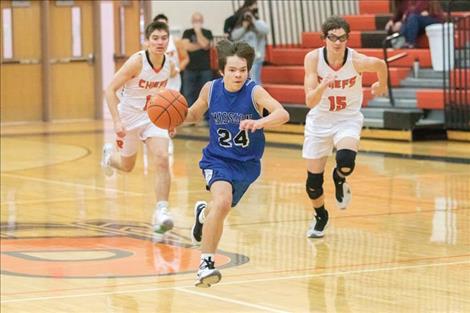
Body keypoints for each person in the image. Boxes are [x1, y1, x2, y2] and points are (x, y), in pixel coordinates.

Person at [183, 40, 289, 287]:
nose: (238, 74)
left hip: (247, 165)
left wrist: (260, 122)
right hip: (217, 159)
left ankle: (202, 214)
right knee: (222, 201)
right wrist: (172, 119)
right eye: (232, 70)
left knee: (219, 209)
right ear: (222, 70)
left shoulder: (254, 91)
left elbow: (282, 114)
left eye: (242, 69)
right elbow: (194, 114)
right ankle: (206, 265)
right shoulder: (210, 89)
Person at [303, 16, 387, 238]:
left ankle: (339, 178)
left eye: (342, 38)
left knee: (347, 162)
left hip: (346, 119)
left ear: (347, 39)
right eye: (332, 37)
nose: (337, 42)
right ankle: (321, 216)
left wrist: (381, 85)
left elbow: (380, 64)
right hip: (320, 121)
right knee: (313, 183)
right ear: (324, 39)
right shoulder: (313, 59)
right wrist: (323, 85)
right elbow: (309, 101)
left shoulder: (356, 61)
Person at [101, 21, 176, 234]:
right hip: (129, 117)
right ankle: (109, 156)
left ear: (168, 40)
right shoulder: (137, 62)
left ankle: (162, 211)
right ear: (147, 41)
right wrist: (117, 121)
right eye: (156, 38)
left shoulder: (169, 64)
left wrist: (170, 120)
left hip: (153, 116)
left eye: (164, 38)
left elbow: (165, 96)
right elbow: (110, 90)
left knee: (162, 158)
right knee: (127, 166)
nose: (160, 42)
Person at [231, 1, 269, 85]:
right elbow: (234, 36)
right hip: (243, 58)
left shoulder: (258, 23)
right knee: (245, 81)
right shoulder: (241, 27)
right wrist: (244, 27)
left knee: (254, 80)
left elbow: (266, 30)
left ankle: (256, 96)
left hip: (256, 58)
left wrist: (253, 21)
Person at [182, 12, 214, 108]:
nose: (197, 23)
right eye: (195, 21)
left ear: (202, 21)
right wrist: (201, 45)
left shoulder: (207, 32)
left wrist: (198, 32)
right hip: (189, 68)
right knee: (188, 93)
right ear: (192, 22)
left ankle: (205, 117)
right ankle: (190, 116)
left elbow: (206, 46)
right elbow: (187, 47)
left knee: (206, 93)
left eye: (199, 21)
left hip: (205, 68)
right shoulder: (187, 32)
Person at [153, 14, 189, 92]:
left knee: (173, 103)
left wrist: (177, 69)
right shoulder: (150, 44)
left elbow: (186, 59)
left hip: (173, 80)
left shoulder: (176, 41)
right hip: (157, 80)